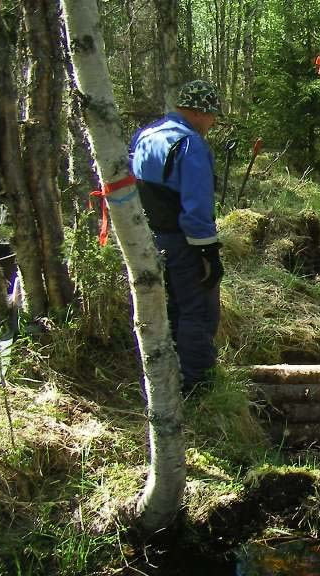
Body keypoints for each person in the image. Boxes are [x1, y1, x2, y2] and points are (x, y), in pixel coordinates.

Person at [130, 80, 223, 393]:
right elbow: (196, 209)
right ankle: (197, 385)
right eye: (212, 117)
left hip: (145, 239)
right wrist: (209, 253)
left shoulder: (145, 135)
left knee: (164, 309)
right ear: (200, 112)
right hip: (182, 242)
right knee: (198, 310)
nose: (212, 124)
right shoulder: (190, 144)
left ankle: (161, 378)